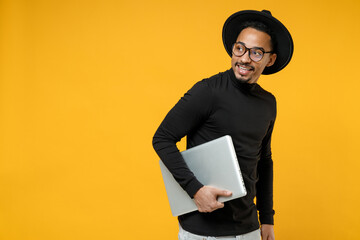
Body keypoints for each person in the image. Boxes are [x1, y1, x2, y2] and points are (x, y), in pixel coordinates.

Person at [153, 10, 294, 240]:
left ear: (271, 59)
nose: (245, 58)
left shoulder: (269, 102)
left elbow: (264, 161)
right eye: (240, 48)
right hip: (201, 230)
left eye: (256, 53)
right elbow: (162, 138)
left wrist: (267, 219)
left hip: (248, 228)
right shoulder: (208, 91)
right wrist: (195, 190)